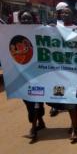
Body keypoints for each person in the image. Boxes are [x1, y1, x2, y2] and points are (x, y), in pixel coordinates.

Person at [46, 6, 77, 144]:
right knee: (60, 97)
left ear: (72, 15)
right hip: (58, 71)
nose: (65, 15)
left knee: (72, 100)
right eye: (63, 13)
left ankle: (74, 128)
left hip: (74, 71)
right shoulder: (54, 27)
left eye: (68, 12)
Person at [18, 10, 46, 143]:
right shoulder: (14, 33)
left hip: (38, 75)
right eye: (23, 19)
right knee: (28, 102)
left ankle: (33, 129)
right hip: (22, 75)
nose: (25, 21)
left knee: (35, 100)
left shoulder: (40, 31)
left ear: (33, 20)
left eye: (28, 19)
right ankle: (40, 121)